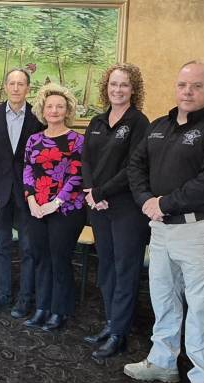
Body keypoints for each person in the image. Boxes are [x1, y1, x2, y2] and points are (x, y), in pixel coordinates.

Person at [126, 61, 204, 383]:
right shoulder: (158, 127)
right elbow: (135, 166)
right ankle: (162, 361)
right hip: (161, 229)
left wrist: (164, 203)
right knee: (163, 298)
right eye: (182, 85)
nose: (188, 91)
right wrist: (147, 200)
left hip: (198, 230)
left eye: (196, 86)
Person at [81, 63, 150, 359]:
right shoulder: (97, 121)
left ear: (133, 89)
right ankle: (111, 323)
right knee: (106, 266)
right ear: (106, 87)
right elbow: (85, 160)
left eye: (124, 85)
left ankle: (120, 333)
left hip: (126, 208)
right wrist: (91, 192)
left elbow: (133, 167)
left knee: (125, 268)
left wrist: (101, 192)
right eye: (113, 84)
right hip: (98, 206)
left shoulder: (139, 123)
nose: (117, 89)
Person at [0, 68, 45, 317]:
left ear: (28, 88)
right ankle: (3, 295)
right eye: (12, 83)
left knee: (28, 248)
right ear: (6, 86)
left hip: (29, 195)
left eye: (21, 84)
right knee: (2, 246)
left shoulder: (38, 117)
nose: (16, 88)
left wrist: (38, 195)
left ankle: (25, 299)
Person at [22, 83, 85, 332]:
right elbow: (27, 170)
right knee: (41, 258)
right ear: (43, 110)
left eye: (60, 106)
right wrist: (32, 201)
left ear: (67, 110)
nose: (54, 111)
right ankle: (42, 307)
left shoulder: (77, 140)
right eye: (50, 106)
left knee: (59, 259)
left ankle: (60, 311)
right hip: (37, 208)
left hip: (66, 210)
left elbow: (77, 175)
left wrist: (55, 203)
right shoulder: (34, 140)